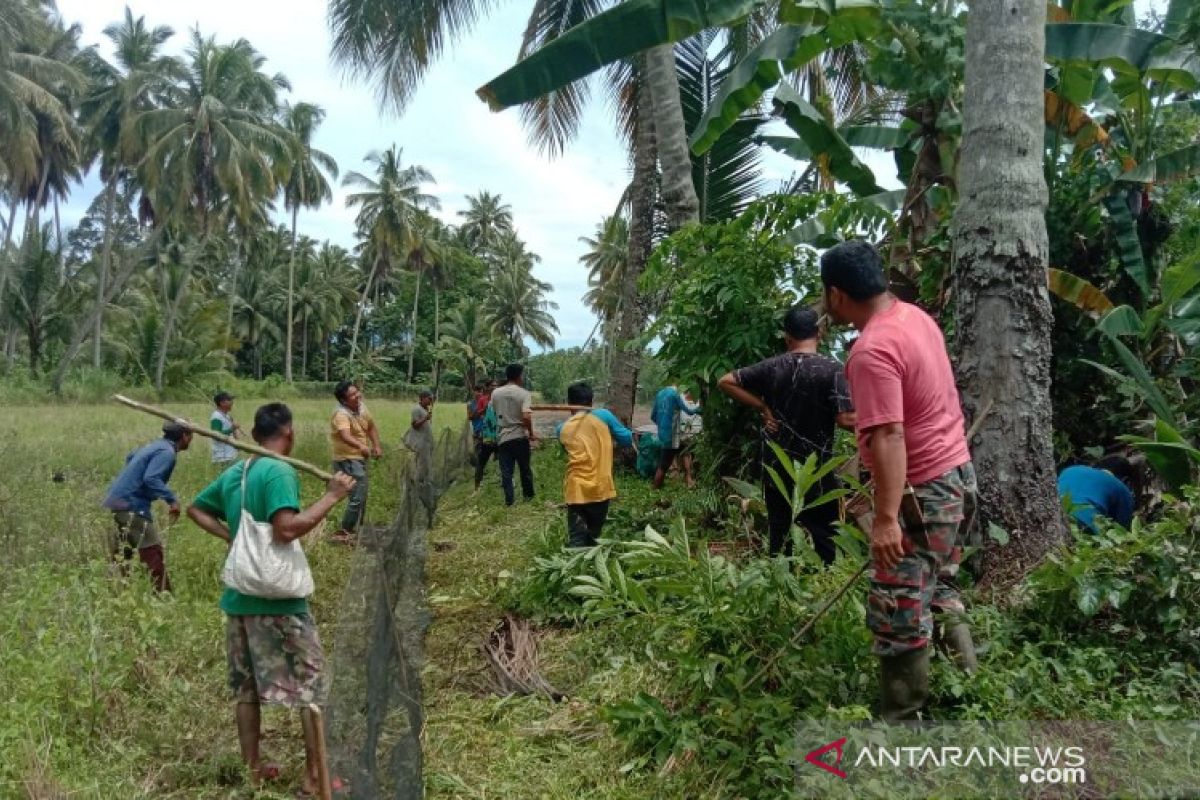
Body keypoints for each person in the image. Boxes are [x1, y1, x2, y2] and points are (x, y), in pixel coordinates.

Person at [821, 239, 978, 722]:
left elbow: (890, 435)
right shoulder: (915, 319)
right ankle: (968, 688)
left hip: (921, 494)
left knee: (899, 607)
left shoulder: (871, 350)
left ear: (836, 295)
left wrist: (886, 519)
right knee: (940, 586)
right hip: (957, 477)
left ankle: (902, 725)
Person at [187, 403, 356, 796]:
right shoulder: (279, 469)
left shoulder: (239, 471)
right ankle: (315, 778)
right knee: (311, 687)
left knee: (246, 691)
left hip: (239, 601)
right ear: (289, 432)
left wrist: (233, 538)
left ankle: (253, 768)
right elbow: (286, 530)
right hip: (279, 603)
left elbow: (196, 509)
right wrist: (331, 497)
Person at [717, 305, 856, 563]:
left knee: (780, 532)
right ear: (819, 334)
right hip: (818, 469)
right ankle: (822, 585)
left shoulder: (772, 366)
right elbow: (846, 419)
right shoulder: (834, 369)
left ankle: (780, 581)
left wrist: (763, 407)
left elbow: (726, 380)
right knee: (824, 534)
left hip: (778, 467)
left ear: (787, 336)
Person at [102, 421, 193, 592]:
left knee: (123, 551)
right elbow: (151, 478)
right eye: (191, 436)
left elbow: (130, 457)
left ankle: (118, 590)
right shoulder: (167, 452)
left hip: (117, 500)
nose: (191, 440)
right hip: (132, 504)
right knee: (152, 551)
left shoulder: (154, 445)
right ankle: (163, 595)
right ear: (184, 437)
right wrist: (172, 500)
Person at [557, 382, 633, 547]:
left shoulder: (561, 428)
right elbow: (627, 439)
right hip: (600, 487)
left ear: (569, 404)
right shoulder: (604, 416)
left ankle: (573, 569)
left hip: (576, 488)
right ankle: (590, 566)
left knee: (577, 538)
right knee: (594, 536)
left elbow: (567, 450)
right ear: (591, 402)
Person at [329, 381, 382, 545]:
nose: (357, 395)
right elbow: (345, 435)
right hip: (347, 459)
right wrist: (361, 446)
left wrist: (376, 445)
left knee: (361, 494)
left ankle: (356, 528)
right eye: (353, 394)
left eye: (357, 392)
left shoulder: (362, 407)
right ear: (344, 400)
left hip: (360, 457)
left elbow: (371, 426)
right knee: (357, 496)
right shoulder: (341, 414)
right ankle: (345, 531)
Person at [491, 363, 536, 506]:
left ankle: (509, 501)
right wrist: (531, 433)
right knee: (525, 469)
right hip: (519, 436)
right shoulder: (524, 393)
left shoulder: (496, 393)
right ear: (519, 376)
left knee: (506, 471)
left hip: (503, 436)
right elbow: (527, 416)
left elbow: (495, 411)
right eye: (522, 375)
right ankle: (528, 497)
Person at [1057, 455, 1136, 532]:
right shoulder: (1121, 488)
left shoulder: (1070, 470)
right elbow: (1122, 531)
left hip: (1053, 514)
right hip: (1083, 522)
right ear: (1126, 480)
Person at [650, 384, 700, 489]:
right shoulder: (675, 395)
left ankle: (688, 480)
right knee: (664, 464)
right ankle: (655, 487)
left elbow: (653, 416)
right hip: (672, 435)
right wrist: (700, 406)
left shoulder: (660, 394)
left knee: (684, 451)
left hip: (664, 433)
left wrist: (663, 424)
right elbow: (689, 411)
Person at [471, 380, 499, 492]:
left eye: (496, 386)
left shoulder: (500, 399)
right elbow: (477, 414)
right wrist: (486, 407)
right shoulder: (483, 399)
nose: (495, 388)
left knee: (501, 460)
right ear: (487, 388)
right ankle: (477, 486)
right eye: (492, 386)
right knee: (481, 461)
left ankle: (499, 481)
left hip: (499, 435)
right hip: (486, 435)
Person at [405, 389, 436, 473]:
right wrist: (425, 418)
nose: (431, 401)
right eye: (429, 399)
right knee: (421, 465)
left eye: (432, 399)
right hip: (420, 443)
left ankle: (425, 481)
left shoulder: (426, 410)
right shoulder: (417, 409)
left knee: (426, 465)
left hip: (426, 442)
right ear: (422, 398)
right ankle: (419, 482)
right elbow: (414, 425)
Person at [210, 391, 241, 466]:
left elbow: (232, 434)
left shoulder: (227, 416)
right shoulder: (216, 417)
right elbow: (216, 435)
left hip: (231, 454)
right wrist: (232, 429)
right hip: (222, 457)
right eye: (229, 400)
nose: (232, 402)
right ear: (222, 403)